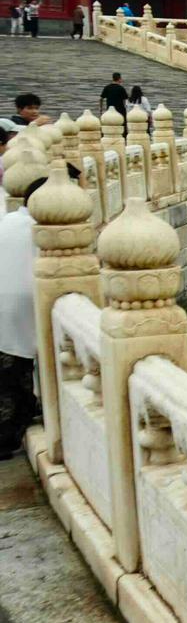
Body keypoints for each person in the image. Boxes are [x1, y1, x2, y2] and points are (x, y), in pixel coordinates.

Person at [0, 165, 46, 456]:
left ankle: (25, 411)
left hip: (9, 316)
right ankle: (5, 440)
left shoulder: (7, 221)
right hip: (13, 317)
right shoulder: (42, 231)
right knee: (10, 383)